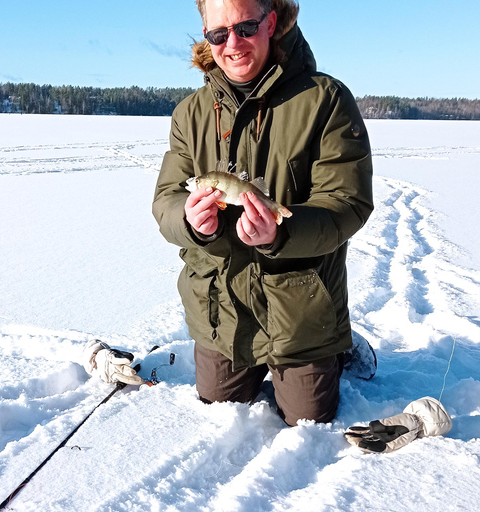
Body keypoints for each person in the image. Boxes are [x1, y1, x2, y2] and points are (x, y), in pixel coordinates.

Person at [152, 0, 374, 426]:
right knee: (219, 403)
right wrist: (190, 222)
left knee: (309, 418)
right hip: (223, 308)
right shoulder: (190, 113)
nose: (232, 44)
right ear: (205, 36)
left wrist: (279, 235)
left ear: (271, 22)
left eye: (246, 27)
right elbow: (166, 198)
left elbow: (347, 203)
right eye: (218, 34)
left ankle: (338, 351)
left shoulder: (326, 100)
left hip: (301, 309)